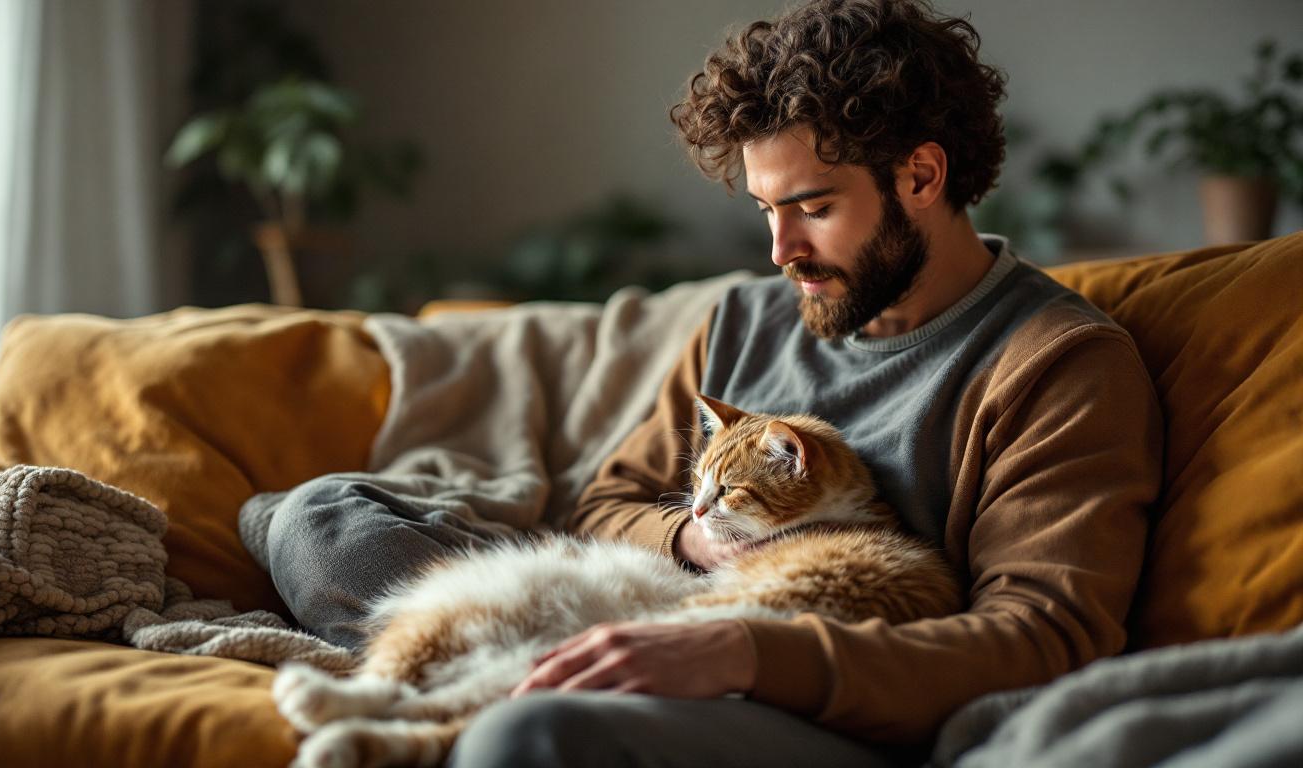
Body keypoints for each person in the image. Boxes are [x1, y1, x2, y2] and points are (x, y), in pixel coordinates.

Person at [447, 0, 1163, 765]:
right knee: (325, 517)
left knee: (526, 736)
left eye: (812, 208)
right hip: (669, 629)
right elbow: (604, 505)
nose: (780, 250)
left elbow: (1044, 638)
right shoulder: (743, 322)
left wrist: (747, 655)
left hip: (833, 710)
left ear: (922, 175)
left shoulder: (1057, 363)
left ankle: (471, 700)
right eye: (765, 210)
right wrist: (702, 544)